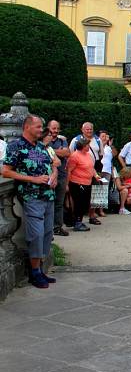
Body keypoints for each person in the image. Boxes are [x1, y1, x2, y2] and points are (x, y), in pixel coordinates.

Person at [2, 115, 58, 288]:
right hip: (31, 197)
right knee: (36, 235)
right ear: (27, 127)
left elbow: (54, 163)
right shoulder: (15, 147)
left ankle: (40, 269)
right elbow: (6, 172)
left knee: (47, 234)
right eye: (39, 127)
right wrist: (32, 179)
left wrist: (54, 176)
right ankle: (34, 273)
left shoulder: (42, 147)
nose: (42, 130)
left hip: (48, 196)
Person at [66, 138, 102, 231]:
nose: (89, 146)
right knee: (79, 204)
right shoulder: (74, 156)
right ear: (82, 146)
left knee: (85, 203)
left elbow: (91, 167)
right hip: (77, 183)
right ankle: (77, 223)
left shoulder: (88, 155)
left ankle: (79, 221)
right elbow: (69, 171)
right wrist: (67, 184)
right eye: (87, 145)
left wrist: (96, 175)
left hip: (87, 182)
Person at [46, 120, 71, 236]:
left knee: (59, 203)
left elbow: (67, 153)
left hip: (61, 175)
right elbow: (44, 152)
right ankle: (48, 228)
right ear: (48, 128)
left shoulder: (62, 140)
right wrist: (59, 151)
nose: (55, 131)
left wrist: (50, 151)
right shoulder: (43, 140)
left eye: (57, 129)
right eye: (53, 128)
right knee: (48, 203)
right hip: (48, 176)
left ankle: (57, 227)